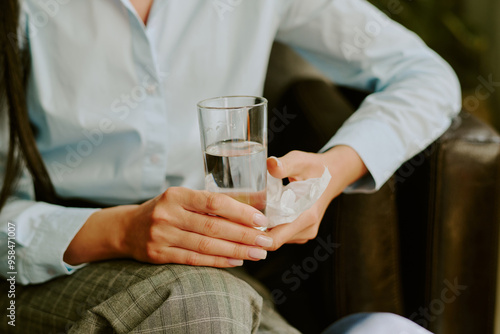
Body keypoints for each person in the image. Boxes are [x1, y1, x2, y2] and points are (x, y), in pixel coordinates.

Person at [0, 0, 460, 332]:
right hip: (42, 273)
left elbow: (426, 77)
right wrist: (122, 230)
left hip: (212, 275)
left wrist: (332, 172)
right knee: (203, 304)